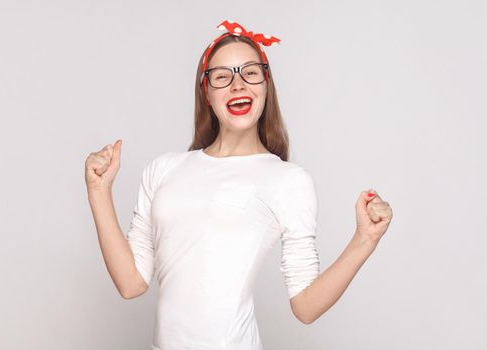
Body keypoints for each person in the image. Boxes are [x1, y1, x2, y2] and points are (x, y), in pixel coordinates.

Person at [84, 19, 393, 350]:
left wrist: (365, 240)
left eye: (250, 72)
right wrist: (99, 192)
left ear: (265, 84)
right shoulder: (163, 169)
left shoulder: (287, 181)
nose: (237, 84)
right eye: (222, 76)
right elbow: (131, 283)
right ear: (207, 92)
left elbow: (305, 306)